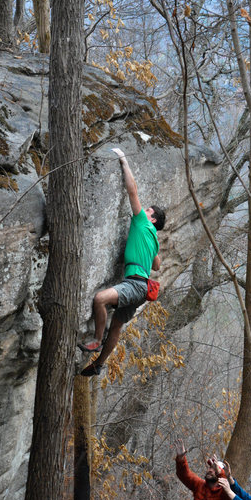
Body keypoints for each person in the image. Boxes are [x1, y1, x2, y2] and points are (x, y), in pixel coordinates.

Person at [79, 147, 165, 377]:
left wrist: (124, 161)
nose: (142, 209)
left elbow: (132, 192)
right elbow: (157, 265)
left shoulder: (142, 223)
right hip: (142, 287)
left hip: (134, 284)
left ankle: (97, 340)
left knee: (100, 299)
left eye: (147, 210)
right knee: (116, 325)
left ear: (152, 218)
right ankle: (99, 364)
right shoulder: (154, 239)